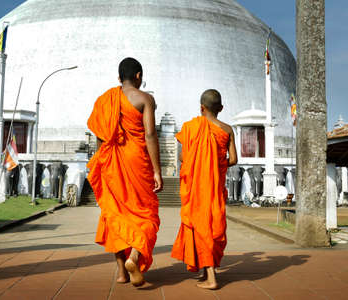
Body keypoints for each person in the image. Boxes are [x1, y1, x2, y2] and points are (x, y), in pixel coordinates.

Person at [87, 57, 163, 287]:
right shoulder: (145, 99)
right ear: (138, 75)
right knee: (146, 214)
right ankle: (134, 257)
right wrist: (157, 171)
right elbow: (150, 135)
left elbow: (100, 137)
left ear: (119, 77)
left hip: (111, 162)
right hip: (137, 161)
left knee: (115, 214)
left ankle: (121, 273)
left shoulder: (104, 101)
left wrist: (102, 166)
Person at [171, 89, 237, 289]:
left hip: (196, 188)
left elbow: (183, 158)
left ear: (201, 107)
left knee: (201, 226)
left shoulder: (190, 127)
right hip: (214, 186)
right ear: (221, 109)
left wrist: (200, 161)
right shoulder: (227, 129)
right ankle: (207, 271)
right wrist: (215, 164)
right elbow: (233, 159)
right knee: (213, 224)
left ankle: (211, 278)